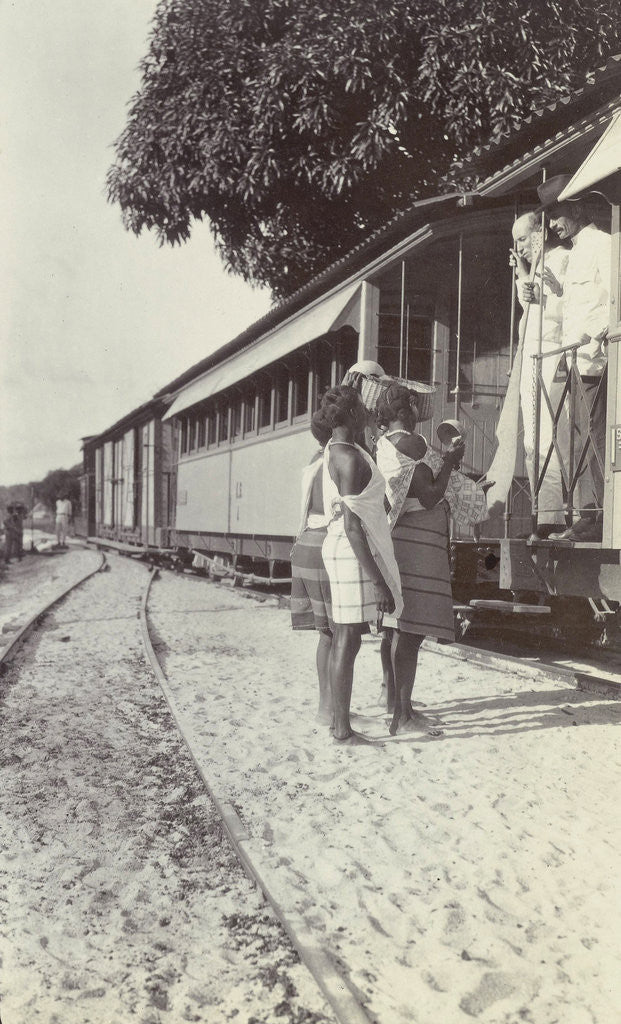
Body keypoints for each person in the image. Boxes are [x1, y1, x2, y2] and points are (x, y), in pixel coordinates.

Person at [375, 384, 465, 736]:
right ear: (410, 407)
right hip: (418, 543)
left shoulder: (382, 444)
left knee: (399, 628)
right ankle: (404, 715)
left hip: (397, 540)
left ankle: (399, 706)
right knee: (411, 633)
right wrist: (450, 461)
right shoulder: (412, 443)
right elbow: (429, 497)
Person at [320, 385, 403, 742]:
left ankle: (340, 725)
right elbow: (354, 526)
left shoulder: (342, 448)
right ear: (352, 416)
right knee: (348, 637)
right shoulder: (349, 458)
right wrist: (378, 582)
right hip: (350, 548)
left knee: (345, 636)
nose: (370, 414)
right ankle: (341, 729)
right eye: (363, 410)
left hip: (346, 546)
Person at [537, 176, 610, 542]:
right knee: (575, 439)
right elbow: (579, 305)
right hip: (571, 361)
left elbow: (613, 302)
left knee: (595, 438)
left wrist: (595, 339)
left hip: (592, 361)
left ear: (578, 210)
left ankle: (597, 516)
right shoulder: (577, 251)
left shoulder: (603, 245)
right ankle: (586, 515)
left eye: (557, 215)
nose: (552, 225)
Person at [511, 212, 570, 538]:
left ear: (540, 231)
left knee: (547, 434)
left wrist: (542, 293)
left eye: (523, 238)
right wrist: (523, 273)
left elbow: (565, 307)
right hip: (531, 357)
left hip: (551, 355)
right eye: (515, 241)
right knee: (531, 438)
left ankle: (552, 515)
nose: (519, 247)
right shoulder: (532, 267)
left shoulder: (563, 259)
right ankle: (544, 512)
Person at [290, 411, 335, 724]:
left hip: (305, 544)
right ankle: (330, 710)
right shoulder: (337, 462)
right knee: (337, 634)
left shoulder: (313, 460)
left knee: (326, 635)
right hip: (324, 548)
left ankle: (326, 705)